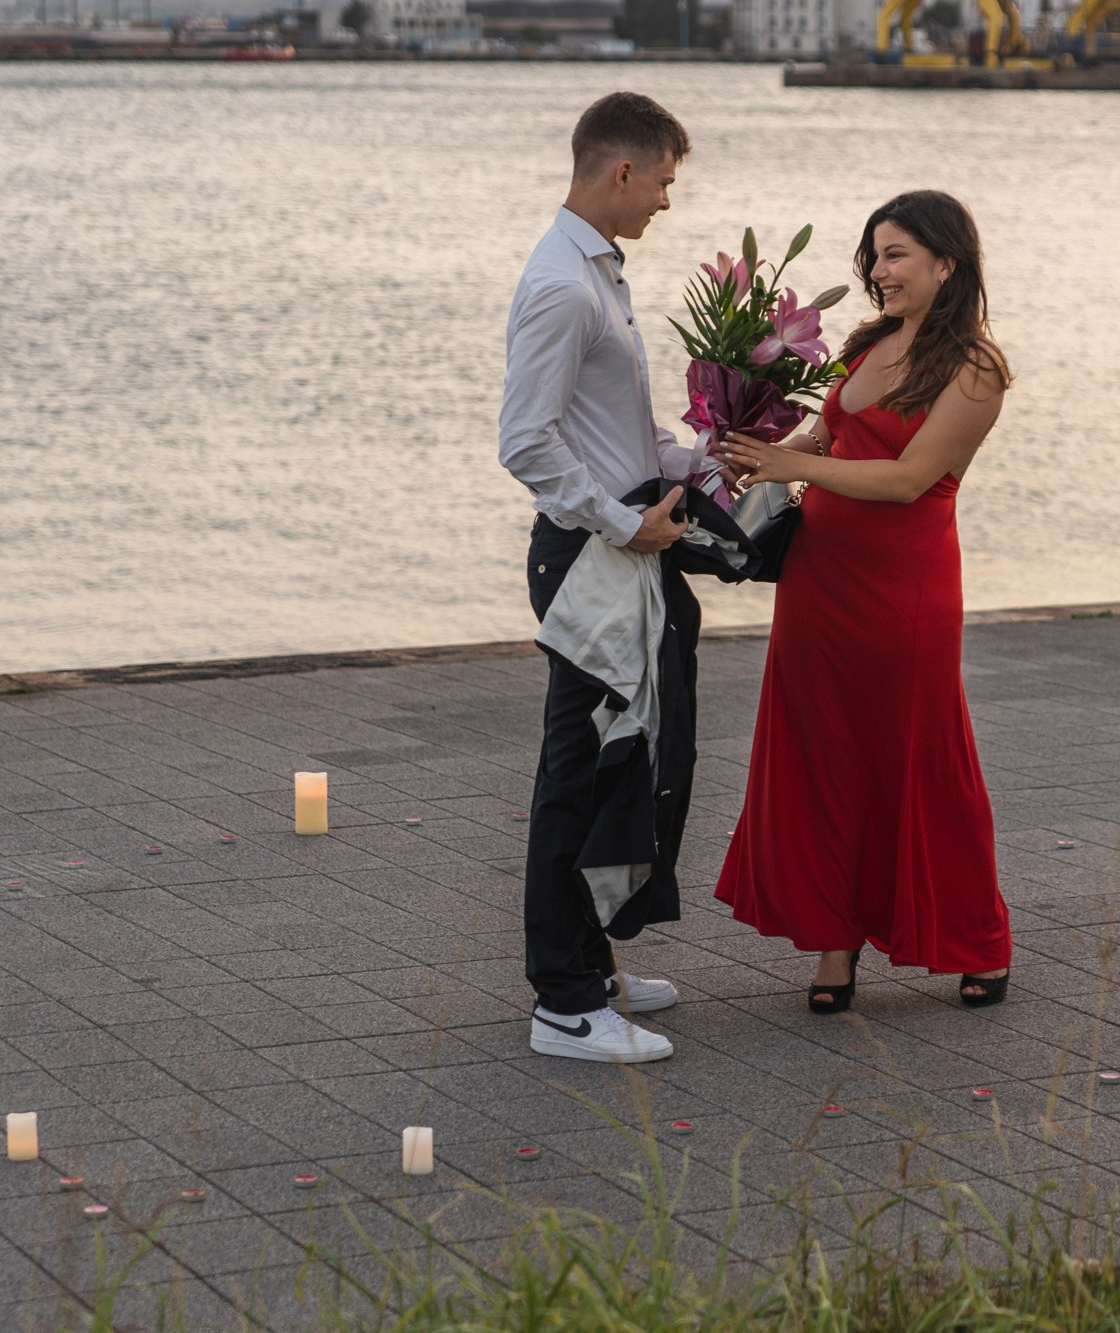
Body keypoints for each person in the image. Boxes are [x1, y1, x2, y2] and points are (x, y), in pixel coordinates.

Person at [712, 191, 1014, 1014]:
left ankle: (979, 937)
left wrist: (795, 469)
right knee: (823, 755)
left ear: (947, 262)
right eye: (874, 256)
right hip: (818, 578)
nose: (878, 271)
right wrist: (758, 452)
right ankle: (833, 947)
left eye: (896, 255)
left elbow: (910, 476)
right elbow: (828, 438)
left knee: (920, 758)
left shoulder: (975, 367)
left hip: (902, 589)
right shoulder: (866, 341)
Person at [498, 92, 704, 1064]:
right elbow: (525, 442)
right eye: (663, 179)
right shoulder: (561, 286)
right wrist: (626, 523)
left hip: (614, 549)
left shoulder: (598, 273)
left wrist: (701, 462)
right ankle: (564, 1003)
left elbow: (615, 431)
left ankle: (597, 968)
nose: (667, 199)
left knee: (617, 762)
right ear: (620, 171)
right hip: (586, 557)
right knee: (575, 776)